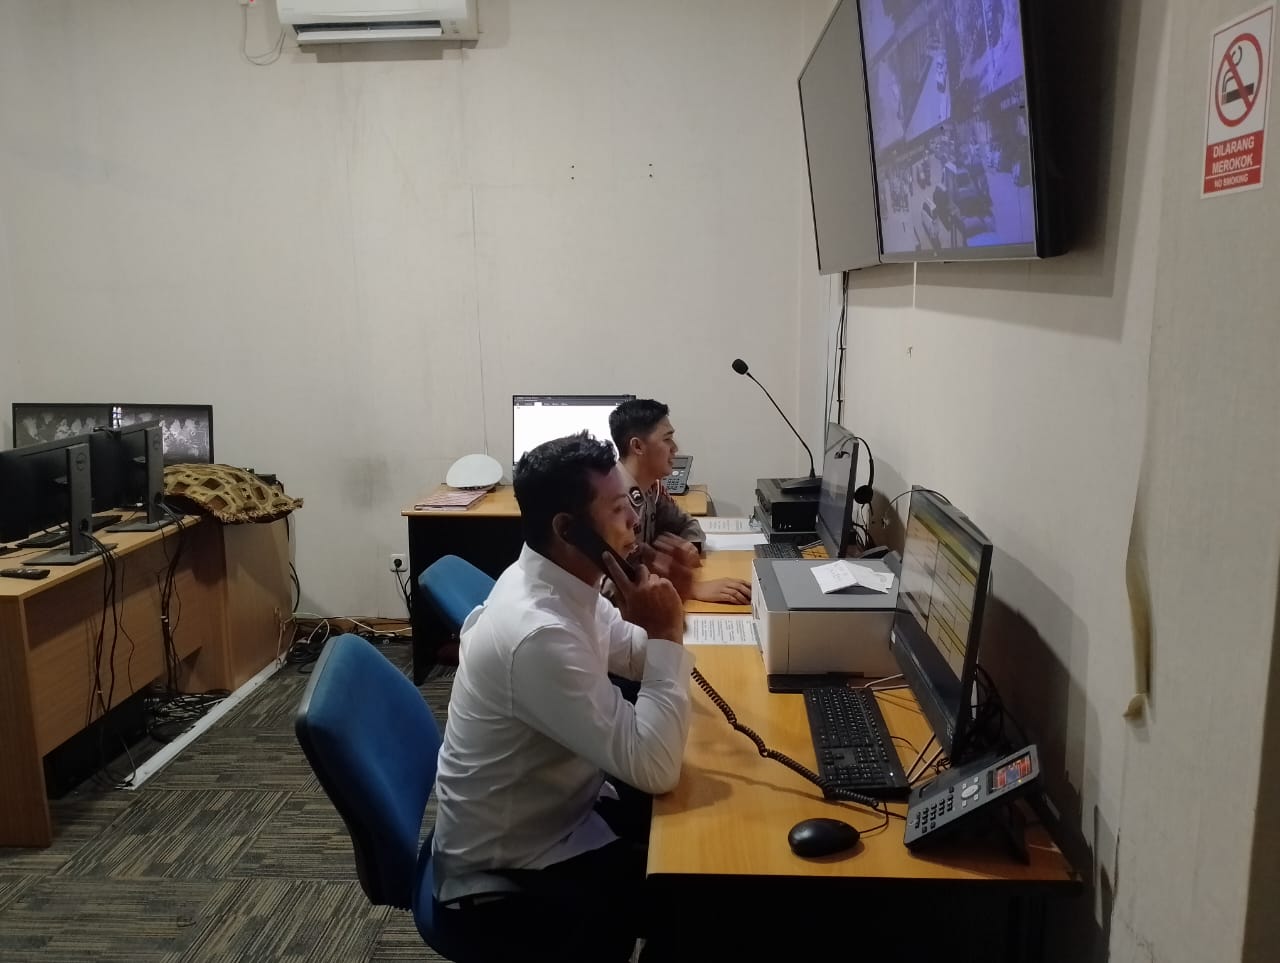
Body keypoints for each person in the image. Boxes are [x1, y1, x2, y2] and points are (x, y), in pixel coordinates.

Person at [431, 432, 694, 962]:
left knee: (691, 841)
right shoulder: (539, 632)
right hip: (512, 871)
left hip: (560, 810)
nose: (634, 521)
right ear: (567, 528)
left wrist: (665, 611)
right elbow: (655, 767)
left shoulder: (563, 579)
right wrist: (667, 632)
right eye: (618, 509)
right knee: (702, 900)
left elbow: (632, 655)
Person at [609, 399, 751, 605]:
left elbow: (687, 525)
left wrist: (687, 547)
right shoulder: (610, 502)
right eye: (667, 439)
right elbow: (609, 586)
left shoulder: (651, 489)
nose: (675, 448)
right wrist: (688, 587)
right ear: (638, 446)